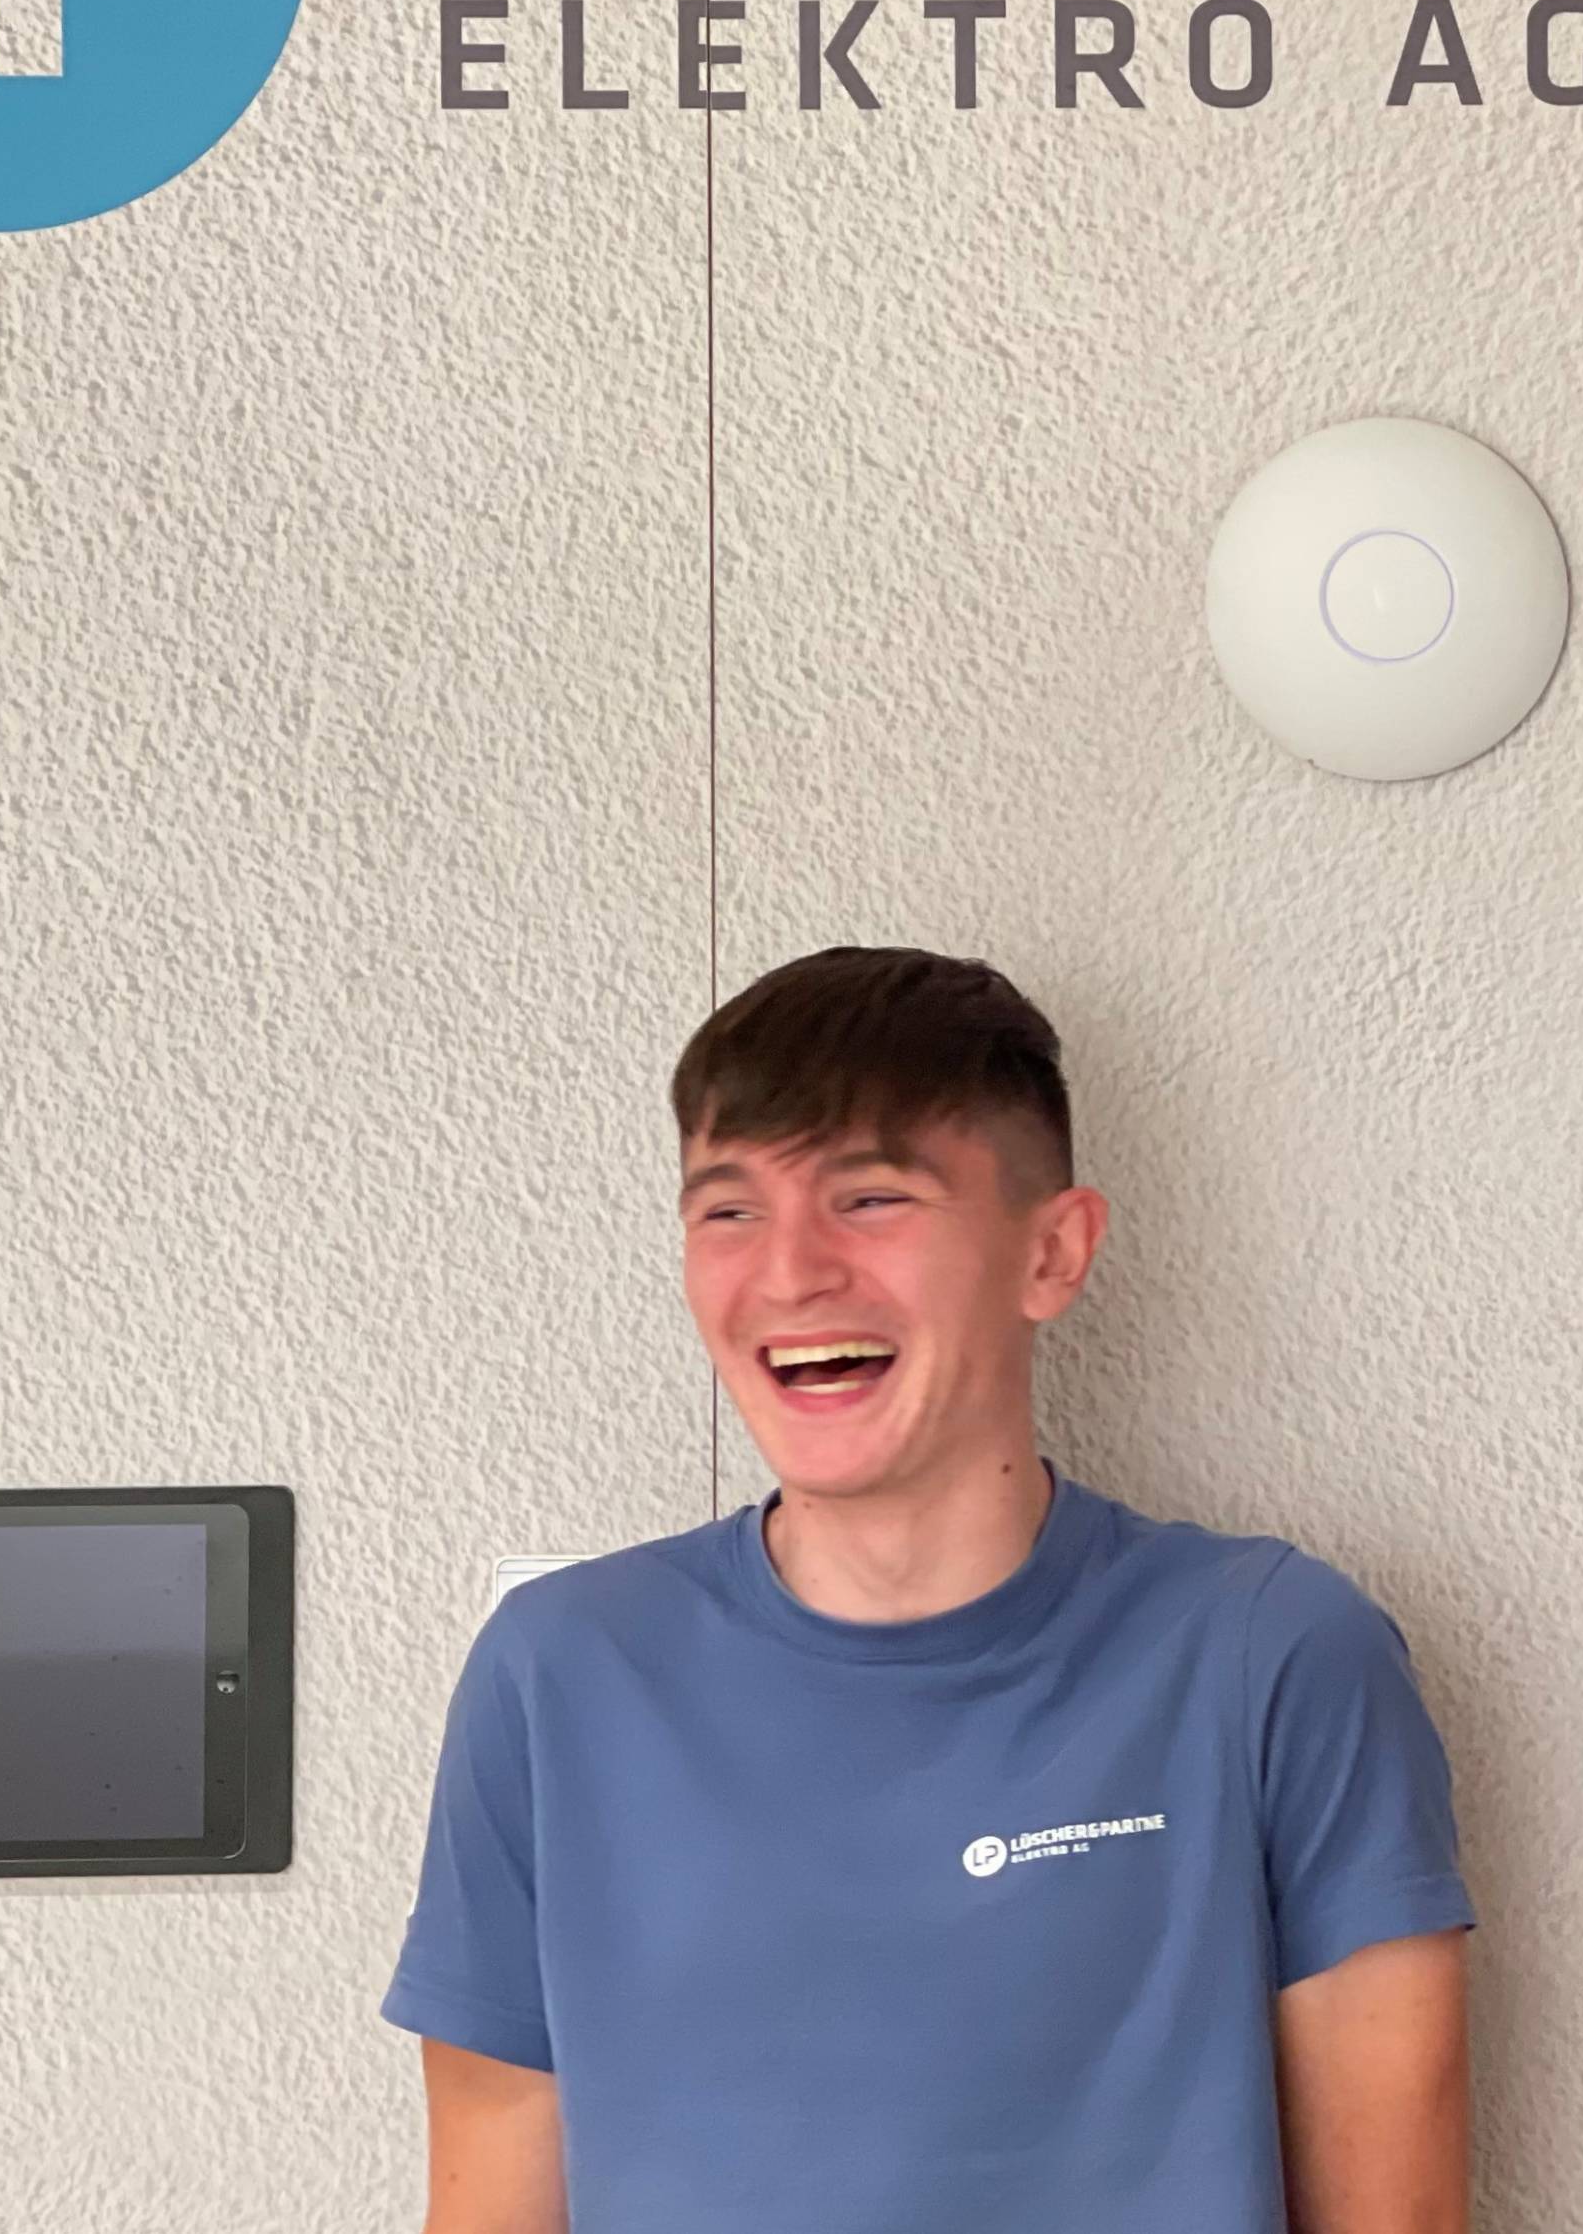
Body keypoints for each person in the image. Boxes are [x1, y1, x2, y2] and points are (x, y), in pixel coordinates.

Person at [386, 946, 1473, 2232]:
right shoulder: (557, 1674)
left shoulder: (1273, 1655)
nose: (790, 1272)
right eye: (729, 1210)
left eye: (870, 1197)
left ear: (1053, 1252)